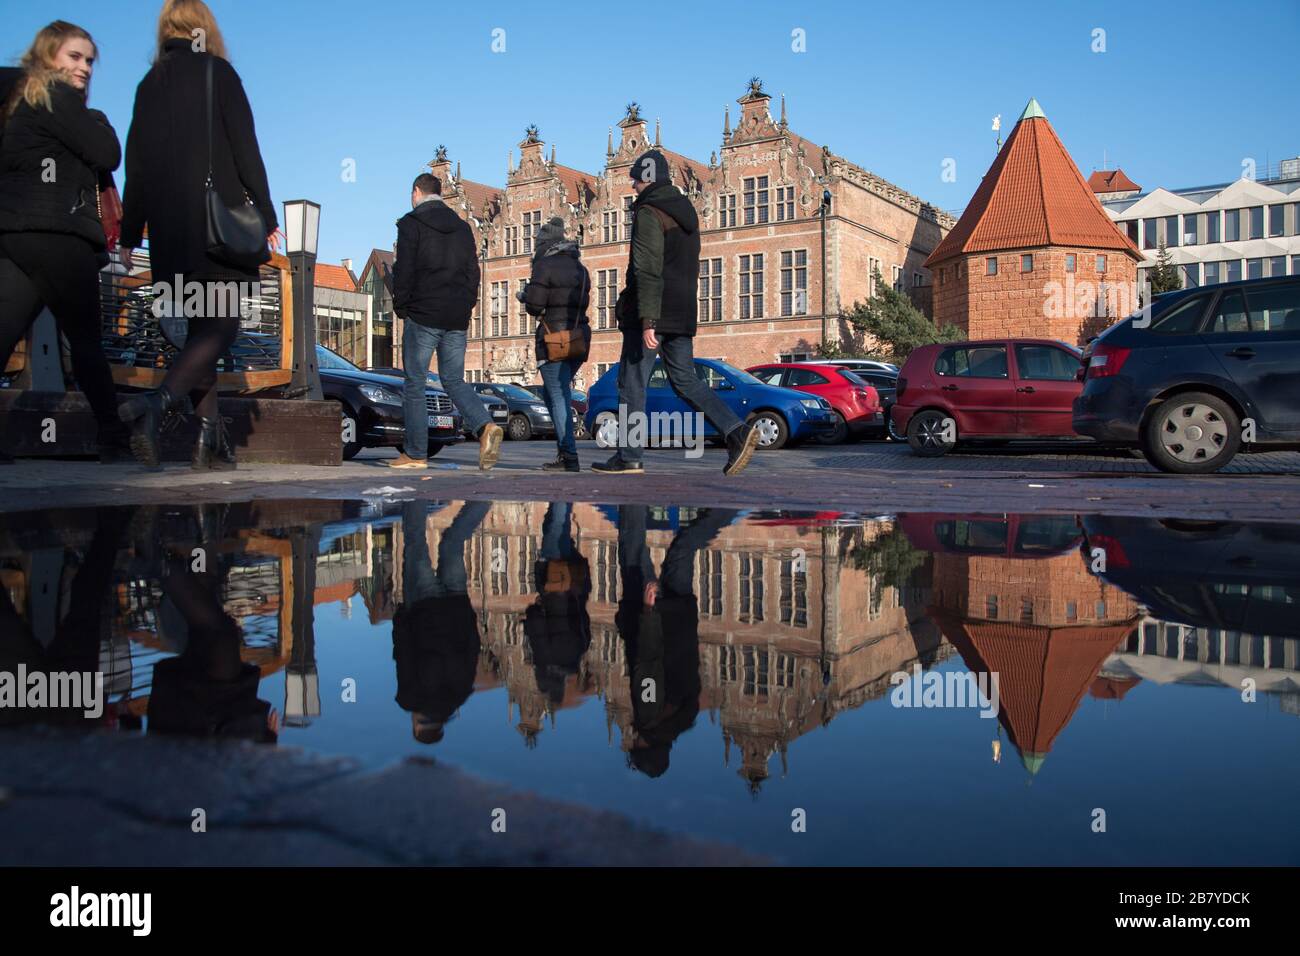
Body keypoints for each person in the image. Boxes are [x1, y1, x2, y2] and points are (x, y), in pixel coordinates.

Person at [116, 0, 280, 471]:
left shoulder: (150, 84)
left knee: (197, 332)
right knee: (221, 326)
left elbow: (138, 166)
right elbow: (247, 149)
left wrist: (130, 235)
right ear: (206, 28)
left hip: (170, 233)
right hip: (218, 224)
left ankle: (210, 440)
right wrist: (265, 214)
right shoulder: (218, 73)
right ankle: (158, 404)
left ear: (165, 29)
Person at [0, 21, 126, 464]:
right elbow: (108, 154)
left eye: (90, 60)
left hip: (15, 235)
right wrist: (97, 121)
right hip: (59, 236)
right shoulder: (58, 98)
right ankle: (113, 436)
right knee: (87, 343)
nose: (85, 67)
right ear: (50, 55)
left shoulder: (18, 102)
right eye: (75, 56)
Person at [593, 149, 759, 477]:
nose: (633, 185)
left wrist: (648, 320)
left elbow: (647, 268)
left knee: (632, 382)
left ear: (649, 179)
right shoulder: (687, 212)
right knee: (685, 379)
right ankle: (736, 431)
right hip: (682, 309)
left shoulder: (649, 212)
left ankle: (629, 456)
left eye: (637, 179)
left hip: (652, 310)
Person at [388, 173, 501, 471]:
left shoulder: (411, 224)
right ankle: (485, 426)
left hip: (423, 314)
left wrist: (402, 307)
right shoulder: (464, 229)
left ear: (416, 192)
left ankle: (415, 454)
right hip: (456, 317)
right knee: (453, 380)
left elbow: (404, 270)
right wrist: (466, 307)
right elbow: (473, 274)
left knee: (414, 382)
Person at [615, 504, 736, 776]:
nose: (631, 740)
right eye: (635, 745)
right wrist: (648, 611)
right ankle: (629, 487)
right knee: (632, 550)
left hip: (680, 616)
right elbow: (648, 660)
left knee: (682, 550)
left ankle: (725, 510)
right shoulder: (647, 716)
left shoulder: (687, 715)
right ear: (646, 745)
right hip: (655, 615)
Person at [391, 499, 490, 744]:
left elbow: (472, 647)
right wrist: (402, 616)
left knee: (452, 545)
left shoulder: (462, 693)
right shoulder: (410, 698)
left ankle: (483, 501)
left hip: (456, 605)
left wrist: (467, 613)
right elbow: (404, 653)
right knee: (415, 543)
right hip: (423, 609)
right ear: (417, 726)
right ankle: (416, 490)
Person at [520, 217, 589, 472]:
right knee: (554, 393)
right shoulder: (581, 268)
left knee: (558, 394)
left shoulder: (544, 266)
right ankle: (564, 452)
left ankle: (569, 455)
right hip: (579, 337)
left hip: (553, 340)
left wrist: (527, 296)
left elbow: (536, 305)